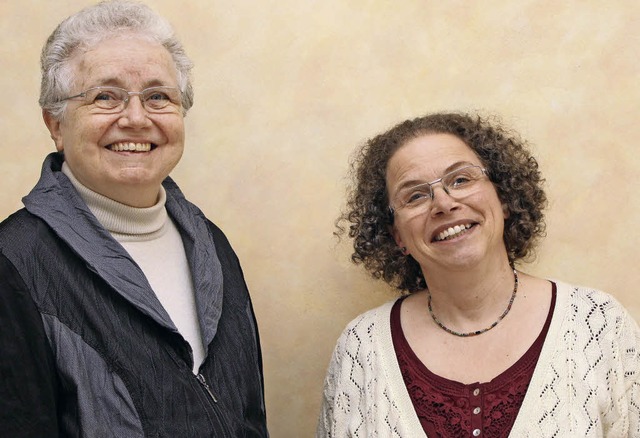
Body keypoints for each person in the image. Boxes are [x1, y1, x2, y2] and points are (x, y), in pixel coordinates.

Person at [0, 1, 268, 436]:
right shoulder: (14, 262)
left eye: (158, 96)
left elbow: (249, 416)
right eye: (105, 96)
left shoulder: (211, 245)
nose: (136, 118)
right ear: (55, 124)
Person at [317, 112, 640, 437]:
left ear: (504, 197)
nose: (443, 203)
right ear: (397, 236)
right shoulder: (361, 349)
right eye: (415, 196)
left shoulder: (599, 326)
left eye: (460, 180)